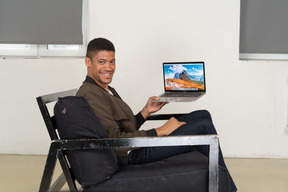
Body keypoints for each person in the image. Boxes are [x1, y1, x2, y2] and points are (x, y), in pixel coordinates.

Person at [76, 37, 237, 192]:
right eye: (102, 62)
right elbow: (115, 140)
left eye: (112, 62)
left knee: (203, 115)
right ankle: (227, 188)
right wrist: (160, 131)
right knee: (204, 126)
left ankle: (216, 181)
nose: (109, 68)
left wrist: (146, 111)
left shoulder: (105, 89)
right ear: (88, 62)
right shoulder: (91, 94)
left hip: (134, 145)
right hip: (131, 153)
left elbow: (124, 127)